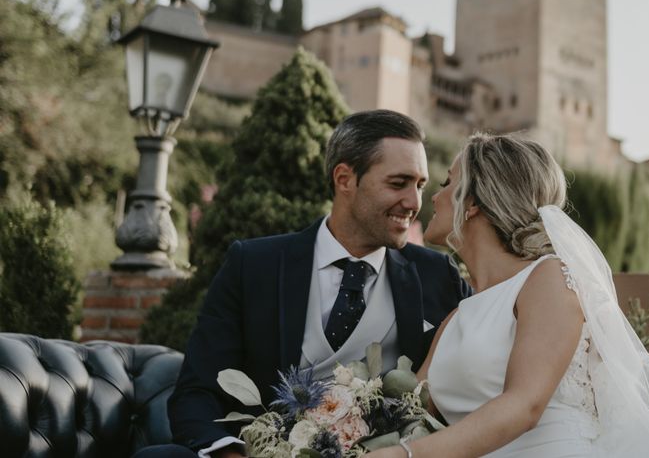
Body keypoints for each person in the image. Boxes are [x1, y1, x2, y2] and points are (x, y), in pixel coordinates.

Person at [134, 110, 470, 458]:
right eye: (398, 184)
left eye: (419, 185)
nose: (414, 203)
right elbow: (196, 391)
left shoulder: (437, 275)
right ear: (344, 179)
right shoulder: (253, 265)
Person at [364, 133, 649, 458]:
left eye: (447, 183)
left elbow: (524, 404)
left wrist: (405, 455)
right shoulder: (456, 319)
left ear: (472, 202)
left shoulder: (549, 278)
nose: (433, 197)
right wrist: (336, 424)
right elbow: (408, 409)